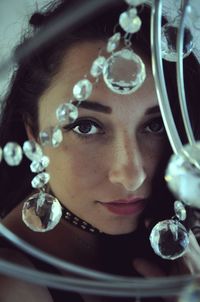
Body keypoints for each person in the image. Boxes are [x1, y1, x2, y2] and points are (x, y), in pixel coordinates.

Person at [0, 1, 200, 301]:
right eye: (86, 127)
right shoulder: (12, 285)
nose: (131, 176)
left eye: (156, 126)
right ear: (33, 130)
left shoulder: (177, 252)